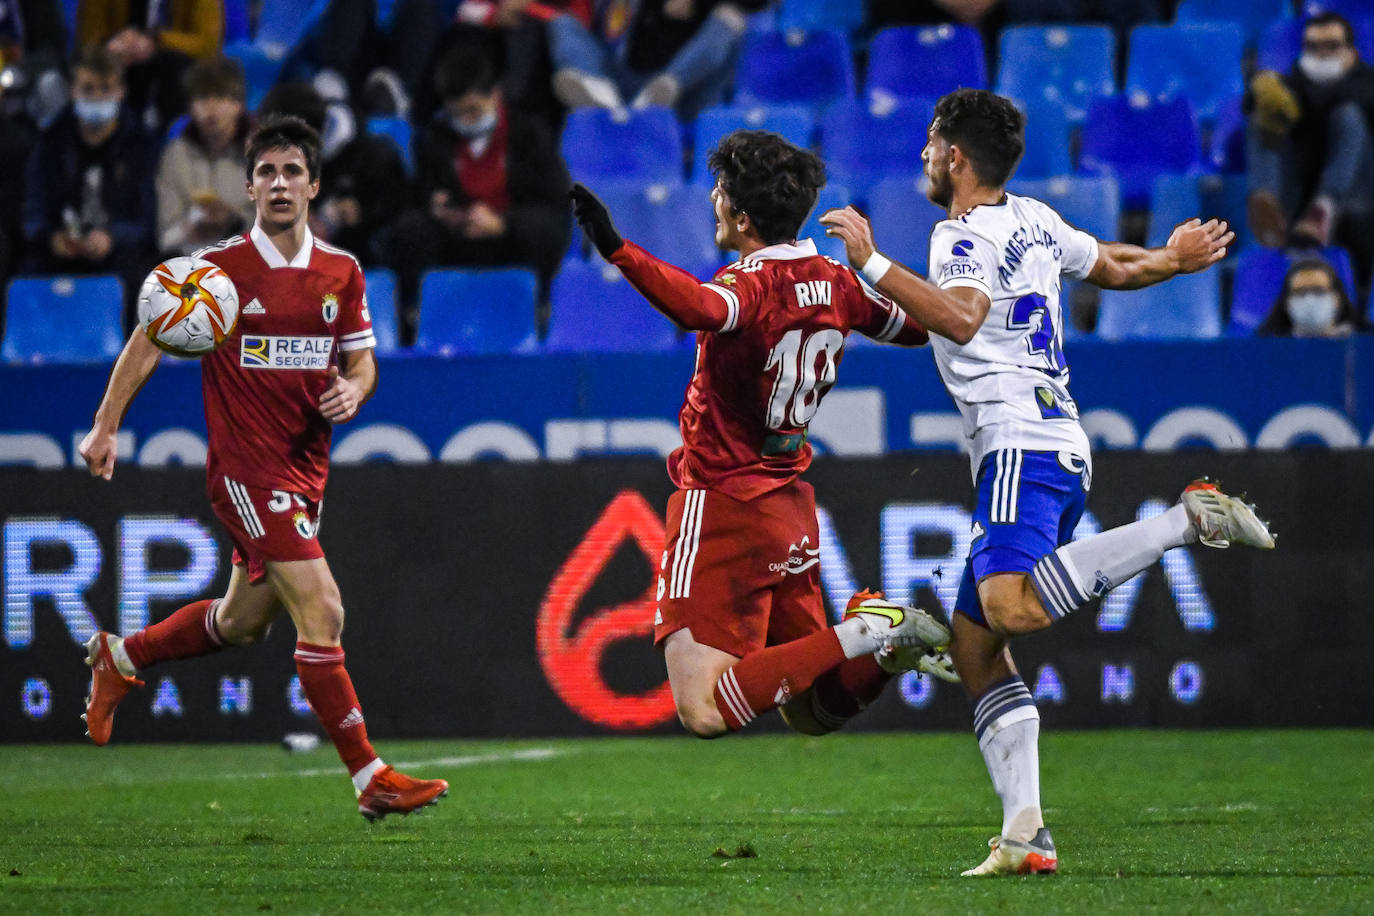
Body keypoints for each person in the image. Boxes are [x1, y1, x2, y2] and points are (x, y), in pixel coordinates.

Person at [821, 88, 1276, 876]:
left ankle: (1186, 521)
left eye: (932, 145)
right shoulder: (1035, 219)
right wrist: (1171, 258)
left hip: (1017, 442)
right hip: (1056, 438)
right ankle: (1026, 832)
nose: (925, 158)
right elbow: (1114, 264)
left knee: (1008, 606)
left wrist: (870, 261)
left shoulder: (957, 235)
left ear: (956, 156)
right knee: (973, 647)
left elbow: (960, 318)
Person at [77, 115, 449, 822]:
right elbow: (149, 340)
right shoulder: (215, 272)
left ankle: (121, 657)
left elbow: (362, 360)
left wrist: (355, 388)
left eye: (292, 172)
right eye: (267, 172)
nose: (280, 184)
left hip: (306, 473)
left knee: (241, 622)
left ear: (313, 185)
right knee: (324, 608)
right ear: (249, 186)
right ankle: (368, 774)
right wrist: (105, 423)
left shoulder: (342, 271)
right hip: (246, 472)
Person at [569, 130, 954, 743]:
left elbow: (697, 306)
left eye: (720, 193)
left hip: (722, 504)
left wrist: (618, 249)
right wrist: (883, 267)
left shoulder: (748, 286)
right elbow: (918, 328)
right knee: (810, 709)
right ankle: (881, 653)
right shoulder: (836, 282)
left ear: (743, 217)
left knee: (703, 709)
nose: (713, 202)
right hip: (789, 508)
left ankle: (869, 630)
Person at [379, 47, 569, 339]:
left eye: (473, 111)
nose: (466, 121)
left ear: (495, 96)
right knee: (408, 230)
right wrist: (438, 207)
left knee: (541, 230)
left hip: (510, 244)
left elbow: (556, 210)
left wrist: (504, 223)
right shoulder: (435, 139)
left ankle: (536, 311)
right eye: (457, 113)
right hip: (457, 243)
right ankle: (417, 319)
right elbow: (418, 194)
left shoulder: (531, 136)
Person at [21, 45, 157, 323]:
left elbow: (147, 220)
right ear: (73, 92)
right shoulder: (50, 142)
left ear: (121, 91)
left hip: (118, 252)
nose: (96, 97)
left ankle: (127, 359)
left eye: (105, 88)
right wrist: (52, 237)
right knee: (26, 267)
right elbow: (32, 209)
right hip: (61, 249)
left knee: (143, 273)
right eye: (88, 89)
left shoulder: (141, 144)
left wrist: (112, 236)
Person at [1247, 12, 1374, 248]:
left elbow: (1355, 100)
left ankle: (1323, 209)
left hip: (1358, 197)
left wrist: (1302, 100)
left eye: (1332, 46)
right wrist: (1258, 90)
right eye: (1313, 46)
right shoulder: (1292, 82)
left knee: (1349, 115)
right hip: (1298, 192)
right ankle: (1267, 204)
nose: (1322, 53)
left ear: (1352, 54)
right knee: (1265, 117)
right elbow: (1250, 107)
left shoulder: (1367, 82)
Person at [550, 0, 768, 119]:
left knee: (729, 21)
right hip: (617, 75)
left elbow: (753, 4)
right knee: (561, 22)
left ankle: (663, 88)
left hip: (679, 91)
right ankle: (599, 92)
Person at [154, 55, 255, 257]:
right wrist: (190, 226)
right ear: (190, 107)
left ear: (238, 104)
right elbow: (164, 238)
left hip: (250, 264)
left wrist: (233, 222)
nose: (210, 108)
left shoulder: (264, 154)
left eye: (219, 97)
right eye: (201, 98)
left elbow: (281, 233)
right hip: (189, 265)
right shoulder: (175, 155)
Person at [76, 0, 223, 131]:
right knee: (98, 73)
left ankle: (173, 140)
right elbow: (89, 43)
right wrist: (114, 47)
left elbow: (207, 45)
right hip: (122, 63)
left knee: (174, 65)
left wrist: (155, 40)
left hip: (176, 67)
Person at [1257, 256, 1370, 338]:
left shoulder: (1361, 348)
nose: (1309, 299)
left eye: (1318, 290)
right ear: (1287, 303)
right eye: (1300, 292)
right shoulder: (1269, 350)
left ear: (1337, 299)